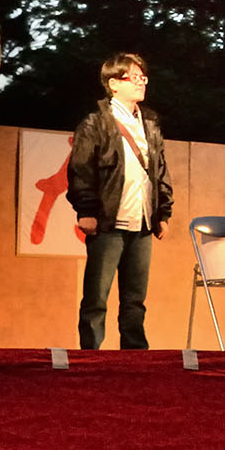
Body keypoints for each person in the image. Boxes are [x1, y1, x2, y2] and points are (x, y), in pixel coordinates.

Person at [68, 53, 174, 350]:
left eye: (144, 78)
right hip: (107, 219)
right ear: (113, 83)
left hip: (142, 220)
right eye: (134, 78)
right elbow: (81, 169)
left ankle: (135, 355)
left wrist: (162, 212)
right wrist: (86, 210)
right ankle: (91, 354)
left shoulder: (150, 121)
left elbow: (160, 168)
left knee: (135, 298)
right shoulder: (95, 123)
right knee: (97, 296)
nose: (141, 83)